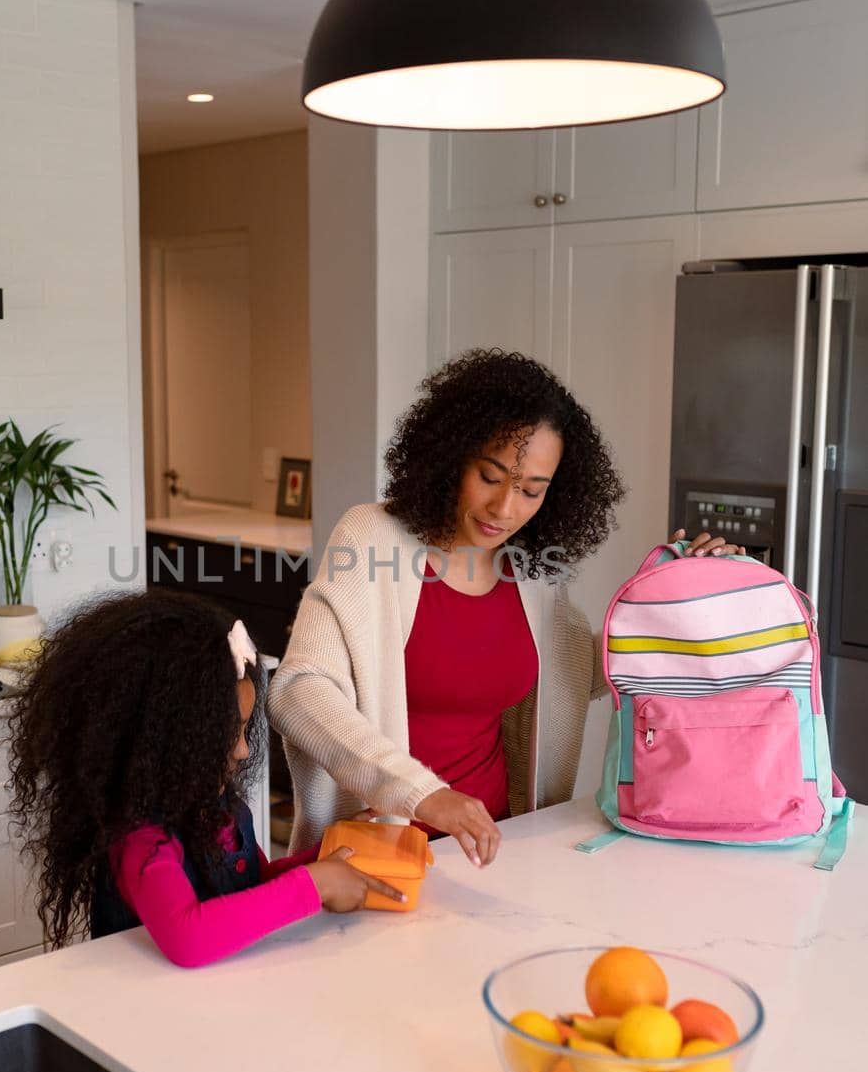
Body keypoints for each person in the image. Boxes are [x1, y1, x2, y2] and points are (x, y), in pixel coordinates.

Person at [268, 349, 742, 866]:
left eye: (531, 490)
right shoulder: (371, 539)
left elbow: (575, 675)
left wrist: (675, 597)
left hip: (498, 852)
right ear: (451, 456)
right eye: (490, 478)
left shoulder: (534, 572)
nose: (505, 509)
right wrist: (420, 793)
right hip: (379, 856)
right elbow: (298, 692)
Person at [7, 591, 405, 967]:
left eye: (245, 729)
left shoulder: (222, 808)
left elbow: (249, 885)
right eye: (225, 734)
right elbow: (187, 936)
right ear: (163, 741)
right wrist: (313, 886)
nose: (243, 751)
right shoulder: (141, 839)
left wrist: (324, 859)